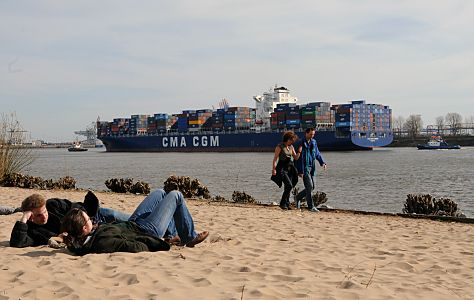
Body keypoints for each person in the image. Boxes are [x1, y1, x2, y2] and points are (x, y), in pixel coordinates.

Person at [60, 189, 209, 255]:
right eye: (88, 219)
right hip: (146, 230)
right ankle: (189, 237)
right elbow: (135, 247)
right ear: (85, 228)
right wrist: (154, 242)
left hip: (133, 224)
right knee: (176, 195)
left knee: (159, 193)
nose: (91, 219)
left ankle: (172, 234)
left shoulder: (86, 237)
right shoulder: (102, 240)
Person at [9, 191, 130, 248]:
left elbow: (76, 207)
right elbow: (17, 243)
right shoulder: (32, 231)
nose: (44, 216)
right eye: (39, 215)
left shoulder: (53, 205)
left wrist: (78, 219)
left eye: (44, 212)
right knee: (129, 229)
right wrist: (23, 219)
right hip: (90, 232)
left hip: (95, 215)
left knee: (123, 218)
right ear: (30, 217)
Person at [295, 127, 327, 212]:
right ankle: (311, 207)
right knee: (309, 186)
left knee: (313, 187)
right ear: (306, 133)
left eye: (313, 134)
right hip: (304, 167)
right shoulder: (300, 142)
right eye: (310, 134)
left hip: (312, 167)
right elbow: (297, 159)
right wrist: (300, 171)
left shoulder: (314, 142)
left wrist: (322, 162)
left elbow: (317, 153)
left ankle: (297, 197)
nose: (312, 136)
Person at [271, 131, 301, 210]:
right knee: (289, 185)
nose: (293, 141)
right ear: (288, 139)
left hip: (290, 169)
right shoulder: (279, 147)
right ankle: (282, 203)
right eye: (292, 140)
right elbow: (275, 159)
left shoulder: (291, 147)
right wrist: (274, 169)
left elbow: (296, 158)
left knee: (288, 186)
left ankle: (287, 204)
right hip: (281, 169)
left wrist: (299, 151)